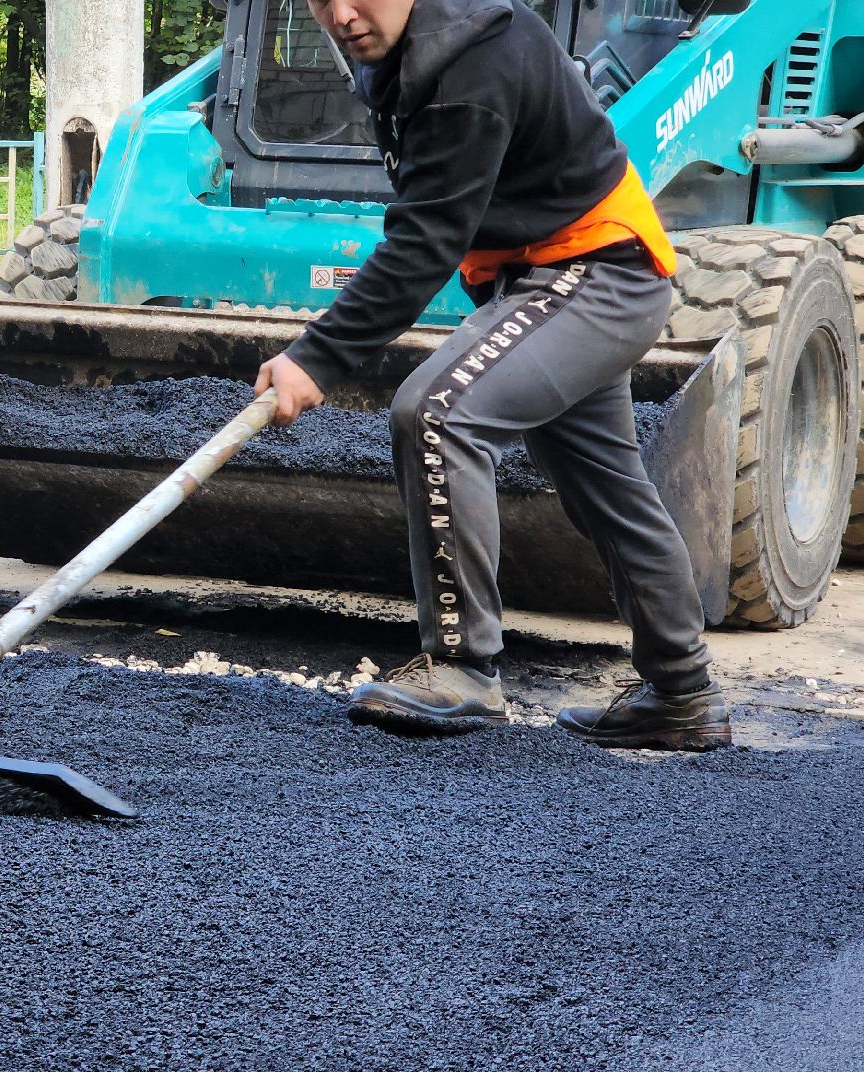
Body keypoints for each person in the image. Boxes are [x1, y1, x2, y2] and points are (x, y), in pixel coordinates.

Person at [252, 0, 728, 751]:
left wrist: (317, 357)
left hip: (596, 270)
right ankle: (683, 695)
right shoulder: (408, 53)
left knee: (435, 413)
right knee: (606, 485)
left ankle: (464, 667)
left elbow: (423, 243)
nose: (339, 14)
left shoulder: (472, 58)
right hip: (555, 277)